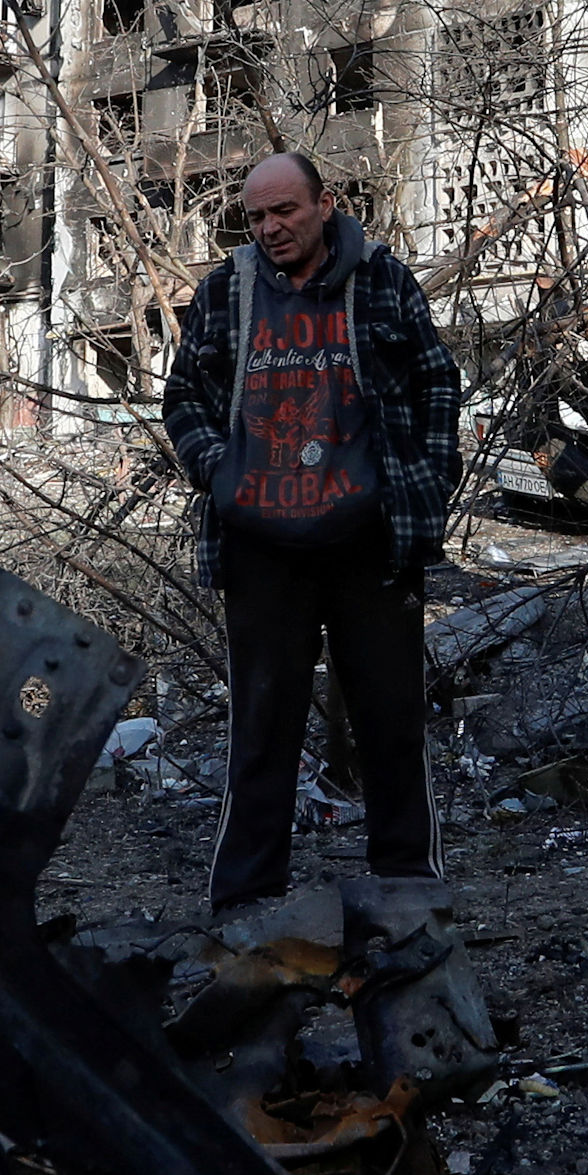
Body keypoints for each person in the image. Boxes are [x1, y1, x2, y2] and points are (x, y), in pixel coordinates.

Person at [160, 151, 464, 910]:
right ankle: (244, 904)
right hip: (262, 546)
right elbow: (184, 397)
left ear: (325, 205)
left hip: (370, 542)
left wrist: (425, 481)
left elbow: (437, 382)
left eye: (284, 211)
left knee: (391, 725)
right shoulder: (227, 292)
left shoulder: (382, 280)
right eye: (256, 216)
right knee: (261, 732)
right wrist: (218, 474)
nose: (269, 228)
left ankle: (408, 895)